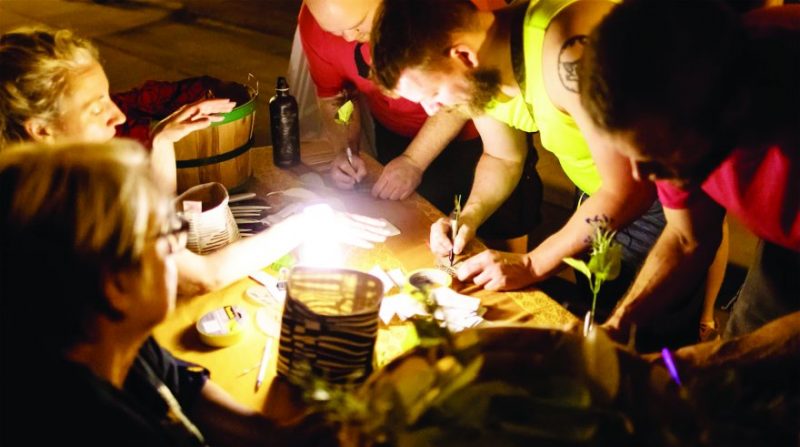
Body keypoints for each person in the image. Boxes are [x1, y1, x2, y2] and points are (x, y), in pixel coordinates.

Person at [370, 0, 728, 342]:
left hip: (664, 199)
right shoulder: (482, 71)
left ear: (462, 54)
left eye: (431, 93)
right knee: (598, 324)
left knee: (646, 345)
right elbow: (503, 158)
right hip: (596, 193)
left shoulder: (570, 50)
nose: (433, 109)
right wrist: (468, 217)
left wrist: (530, 264)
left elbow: (629, 189)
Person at [0, 26, 389, 296]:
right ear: (41, 129)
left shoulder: (49, 175)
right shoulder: (62, 207)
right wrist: (310, 223)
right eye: (95, 108)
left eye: (109, 97)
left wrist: (163, 141)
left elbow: (156, 218)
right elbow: (202, 277)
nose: (117, 117)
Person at [0, 140, 333, 446]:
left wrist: (274, 435)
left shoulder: (113, 341)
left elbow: (179, 385)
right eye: (168, 233)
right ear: (115, 285)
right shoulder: (95, 427)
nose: (178, 245)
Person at [577, 0, 799, 370]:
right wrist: (615, 329)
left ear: (734, 108)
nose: (639, 176)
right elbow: (686, 238)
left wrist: (703, 360)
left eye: (658, 156)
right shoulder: (681, 99)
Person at [299, 0, 542, 254]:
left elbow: (464, 96)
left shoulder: (536, 56)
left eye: (358, 25)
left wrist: (414, 159)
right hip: (404, 137)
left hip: (473, 143)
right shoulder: (318, 20)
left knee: (504, 234)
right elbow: (502, 157)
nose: (349, 37)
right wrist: (345, 149)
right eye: (336, 32)